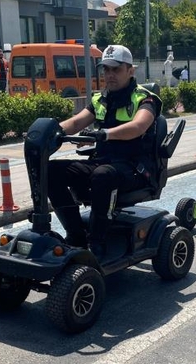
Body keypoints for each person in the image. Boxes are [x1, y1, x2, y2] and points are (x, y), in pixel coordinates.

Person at [48, 45, 162, 256]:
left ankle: (96, 242)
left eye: (116, 69)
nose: (109, 75)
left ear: (130, 70)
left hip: (135, 168)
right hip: (104, 162)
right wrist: (49, 131)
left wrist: (105, 133)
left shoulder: (145, 98)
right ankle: (76, 234)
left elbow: (138, 126)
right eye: (106, 70)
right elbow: (75, 122)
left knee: (103, 175)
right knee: (51, 171)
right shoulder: (101, 100)